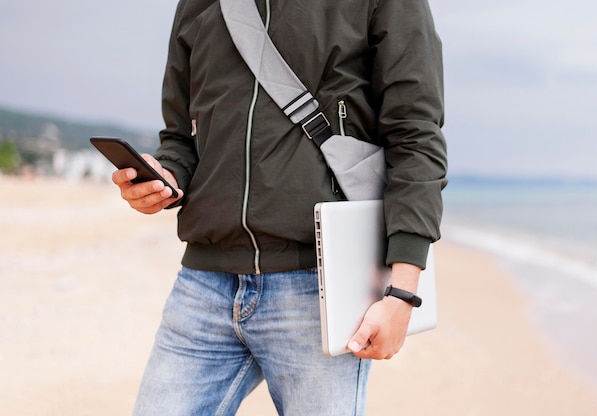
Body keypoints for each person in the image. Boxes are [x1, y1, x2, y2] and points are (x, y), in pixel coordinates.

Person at [112, 0, 447, 414]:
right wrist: (165, 180)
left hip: (318, 287)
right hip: (204, 286)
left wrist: (402, 294)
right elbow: (182, 138)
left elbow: (416, 138)